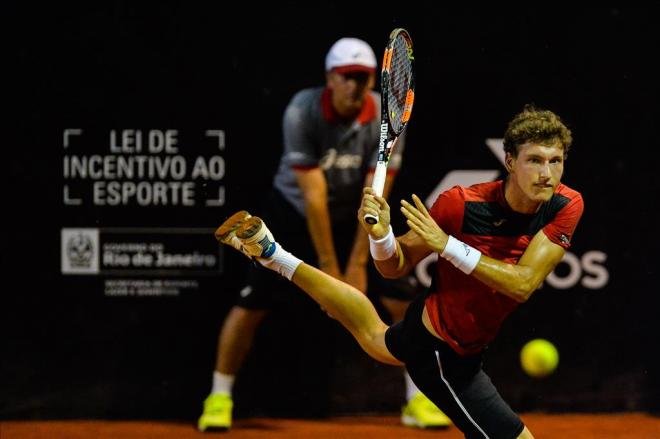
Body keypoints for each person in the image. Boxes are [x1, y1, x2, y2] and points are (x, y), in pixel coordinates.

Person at [213, 105, 583, 439]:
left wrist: (447, 246)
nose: (546, 174)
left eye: (556, 161)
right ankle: (275, 257)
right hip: (442, 355)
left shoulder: (565, 204)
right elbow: (394, 267)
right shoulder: (460, 205)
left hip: (458, 342)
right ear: (509, 162)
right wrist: (382, 236)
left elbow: (522, 284)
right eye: (534, 160)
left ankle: (273, 254)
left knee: (376, 338)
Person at [198, 37, 450, 431]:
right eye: (347, 77)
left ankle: (417, 399)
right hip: (295, 212)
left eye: (363, 77)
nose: (355, 85)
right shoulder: (303, 111)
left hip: (358, 212)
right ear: (330, 78)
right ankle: (219, 396)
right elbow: (314, 198)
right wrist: (334, 272)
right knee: (250, 304)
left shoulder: (387, 116)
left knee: (403, 303)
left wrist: (359, 265)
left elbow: (375, 194)